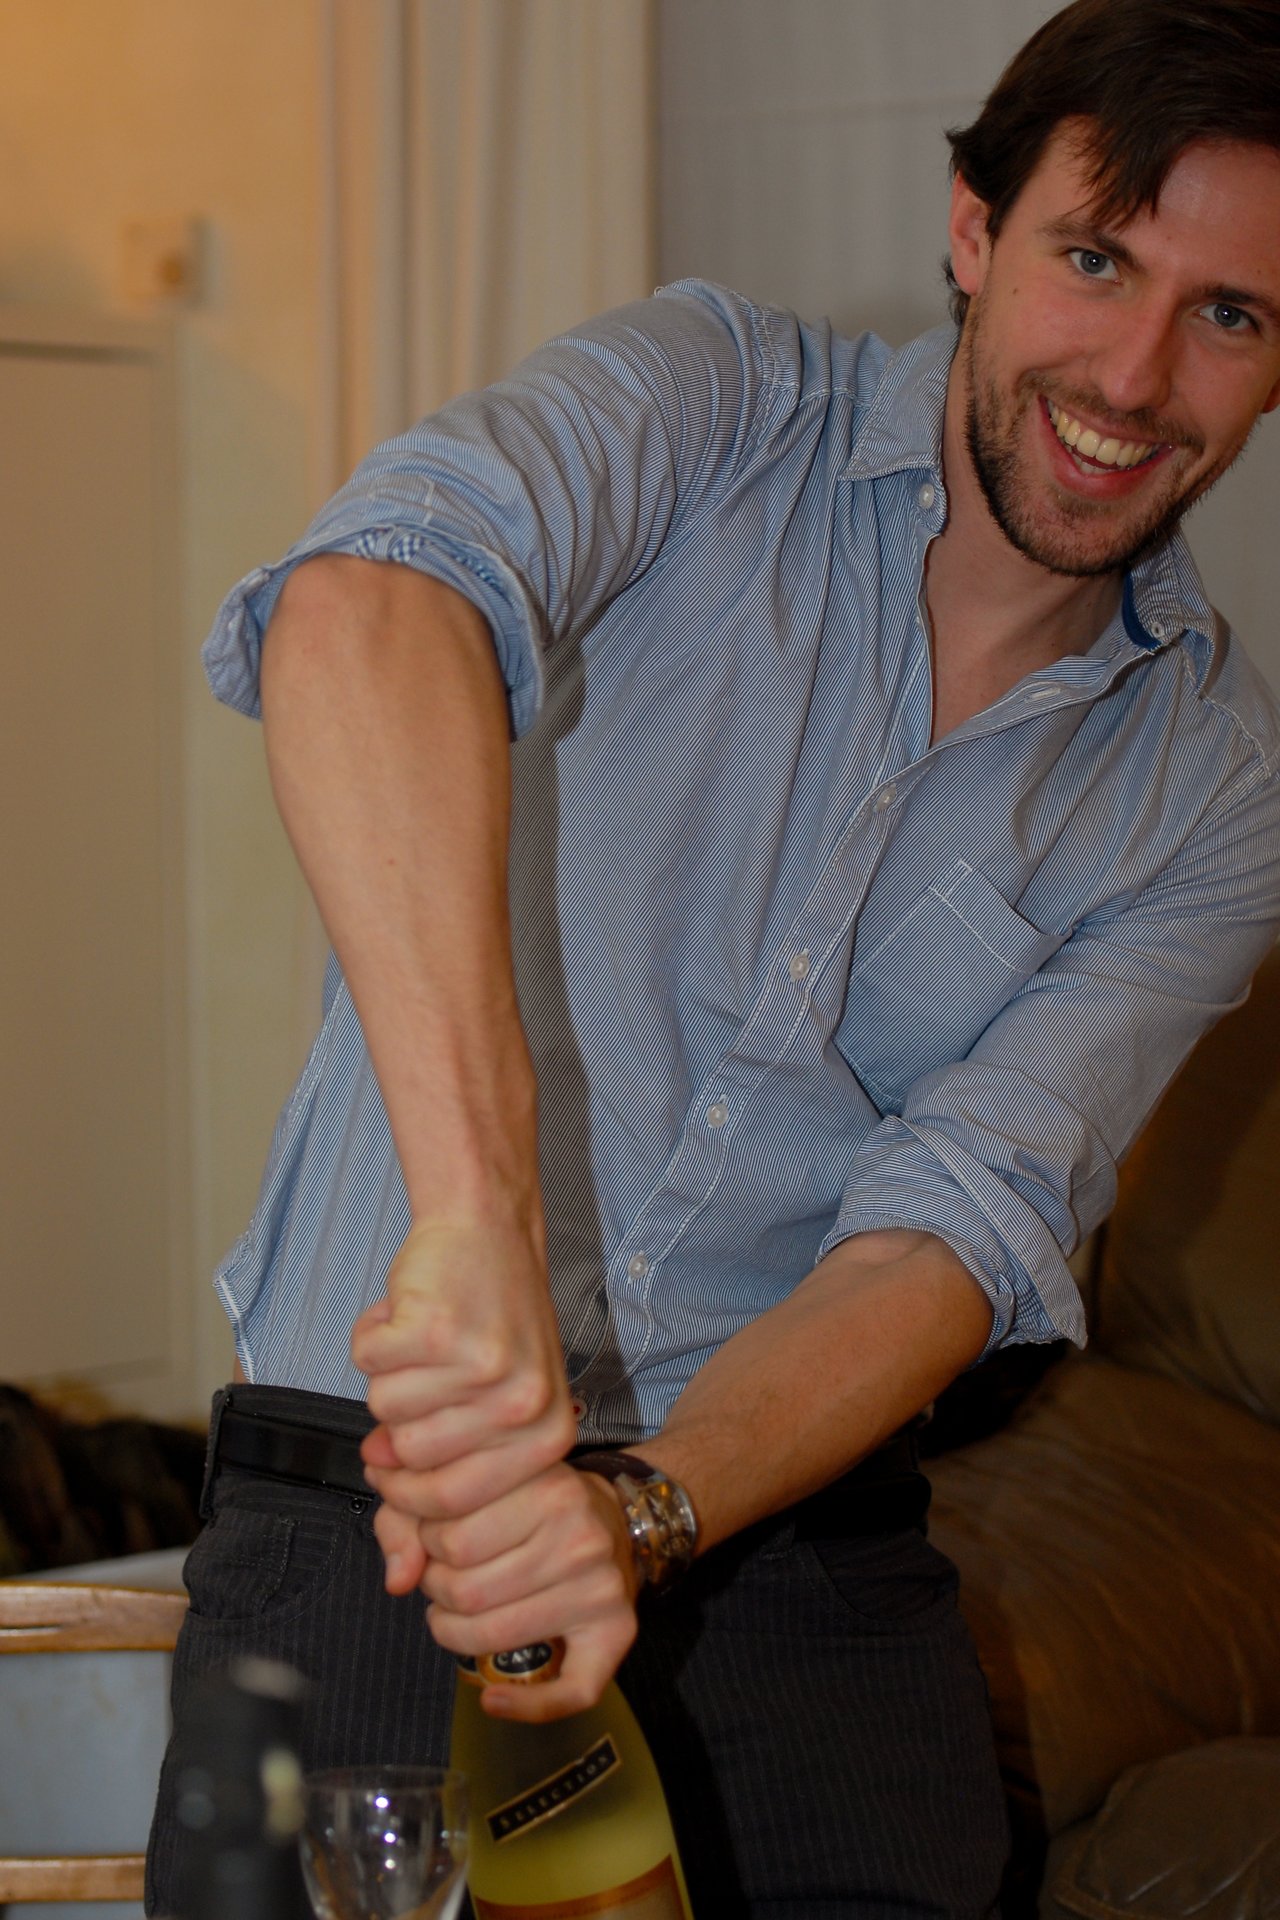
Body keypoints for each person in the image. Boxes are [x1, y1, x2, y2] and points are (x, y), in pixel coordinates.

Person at [148, 2, 1280, 1914]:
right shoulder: (709, 396)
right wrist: (477, 1216)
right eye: (1097, 258)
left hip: (781, 1541)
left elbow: (960, 1228)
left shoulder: (1212, 799)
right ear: (971, 231)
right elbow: (368, 607)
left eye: (1232, 315)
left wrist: (639, 1511)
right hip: (374, 1497)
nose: (1138, 371)